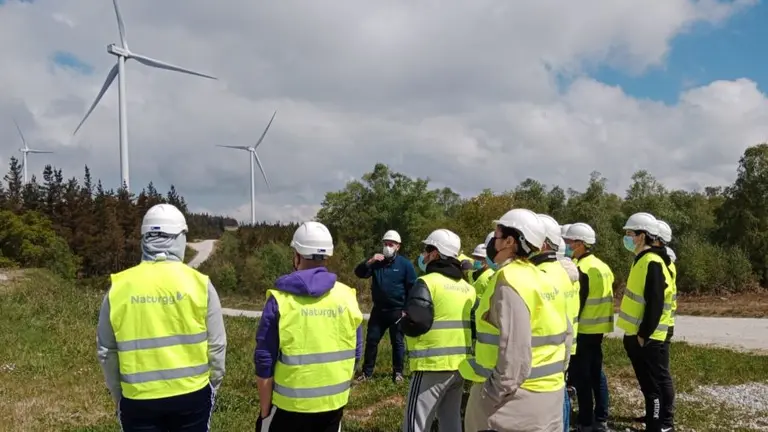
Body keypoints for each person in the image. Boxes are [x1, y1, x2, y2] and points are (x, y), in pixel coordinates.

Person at [96, 203, 227, 431]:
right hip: (192, 396)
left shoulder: (118, 288)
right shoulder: (200, 285)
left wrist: (119, 396)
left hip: (138, 399)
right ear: (180, 238)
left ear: (144, 238)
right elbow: (217, 347)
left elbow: (106, 352)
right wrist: (212, 387)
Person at [462, 209, 571, 432]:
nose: (493, 241)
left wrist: (490, 396)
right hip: (550, 397)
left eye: (497, 235)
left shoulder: (509, 279)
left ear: (510, 241)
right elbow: (567, 337)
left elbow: (514, 353)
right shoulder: (543, 278)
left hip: (513, 405)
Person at [254, 221, 364, 431]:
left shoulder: (280, 300)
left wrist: (265, 411)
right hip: (333, 405)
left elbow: (264, 361)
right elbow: (356, 353)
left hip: (289, 407)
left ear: (297, 256)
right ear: (326, 256)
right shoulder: (347, 296)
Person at [400, 229, 476, 432]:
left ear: (436, 254)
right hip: (459, 367)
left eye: (427, 250)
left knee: (415, 424)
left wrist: (402, 321)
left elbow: (416, 323)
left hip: (430, 365)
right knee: (451, 422)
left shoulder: (427, 282)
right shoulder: (468, 288)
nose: (424, 255)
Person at [617, 212, 675, 432]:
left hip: (648, 339)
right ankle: (655, 423)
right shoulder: (643, 259)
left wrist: (643, 334)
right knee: (649, 387)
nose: (627, 238)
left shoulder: (652, 261)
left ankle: (656, 426)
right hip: (638, 336)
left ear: (642, 236)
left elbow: (656, 302)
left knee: (653, 389)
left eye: (630, 234)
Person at [563, 222, 615, 432]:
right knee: (596, 374)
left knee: (583, 378)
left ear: (580, 244)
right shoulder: (602, 267)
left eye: (569, 242)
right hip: (598, 329)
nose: (566, 245)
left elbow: (579, 302)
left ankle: (585, 422)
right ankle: (601, 417)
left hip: (584, 330)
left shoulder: (581, 269)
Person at [532, 214, 580, 432]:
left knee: (556, 397)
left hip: (550, 349)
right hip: (561, 345)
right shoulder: (563, 274)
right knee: (559, 392)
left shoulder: (548, 275)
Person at [354, 230, 417, 383]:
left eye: (391, 244)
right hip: (379, 310)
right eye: (386, 244)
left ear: (398, 247)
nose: (388, 247)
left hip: (397, 311)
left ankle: (398, 373)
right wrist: (370, 261)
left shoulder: (405, 265)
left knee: (397, 342)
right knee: (372, 341)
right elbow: (359, 273)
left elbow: (412, 288)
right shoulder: (377, 263)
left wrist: (406, 310)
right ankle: (366, 373)